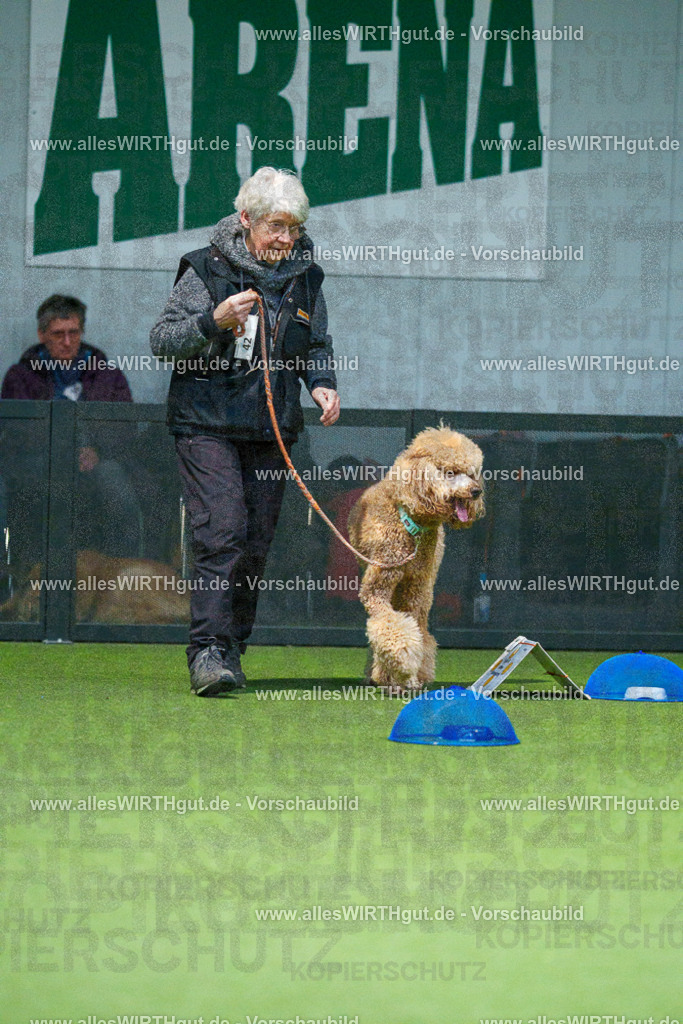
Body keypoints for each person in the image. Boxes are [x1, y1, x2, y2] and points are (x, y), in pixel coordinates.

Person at [150, 166, 340, 697]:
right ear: (245, 220)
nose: (286, 239)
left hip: (271, 429)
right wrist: (214, 321)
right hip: (206, 423)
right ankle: (206, 651)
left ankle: (232, 649)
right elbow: (163, 340)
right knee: (223, 531)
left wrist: (321, 383)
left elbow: (316, 342)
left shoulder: (307, 276)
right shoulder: (203, 269)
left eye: (294, 228)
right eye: (276, 226)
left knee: (254, 545)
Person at [1, 294, 142, 558]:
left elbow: (125, 427)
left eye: (73, 333)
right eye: (58, 334)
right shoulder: (20, 376)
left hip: (97, 460)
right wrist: (62, 453)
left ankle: (124, 574)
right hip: (41, 462)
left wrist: (98, 451)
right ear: (42, 335)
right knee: (33, 489)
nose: (67, 342)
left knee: (116, 484)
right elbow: (18, 432)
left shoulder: (107, 374)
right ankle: (30, 577)